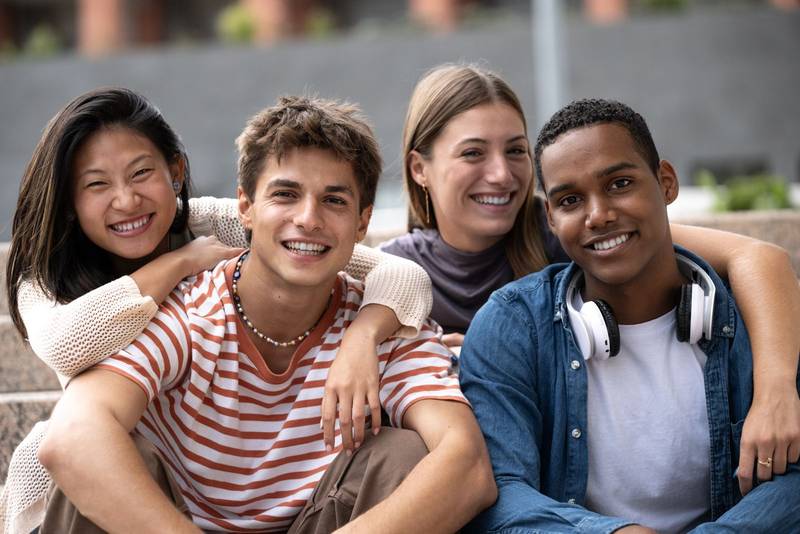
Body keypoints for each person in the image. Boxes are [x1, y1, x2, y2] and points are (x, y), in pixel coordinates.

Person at [35, 95, 496, 533]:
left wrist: (362, 338)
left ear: (363, 222)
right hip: (175, 521)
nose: (309, 219)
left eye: (334, 200)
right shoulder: (186, 309)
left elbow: (469, 466)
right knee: (97, 471)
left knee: (403, 453)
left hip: (324, 521)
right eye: (286, 195)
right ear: (245, 208)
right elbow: (72, 437)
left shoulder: (383, 326)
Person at [380, 62, 800, 487]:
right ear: (419, 168)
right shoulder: (391, 272)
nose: (502, 174)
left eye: (515, 150)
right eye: (473, 152)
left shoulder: (575, 233)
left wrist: (776, 390)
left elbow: (760, 258)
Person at [460, 98, 800, 532]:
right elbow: (502, 492)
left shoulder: (756, 317)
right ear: (551, 215)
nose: (598, 215)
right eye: (570, 200)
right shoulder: (512, 325)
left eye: (620, 183)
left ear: (667, 183)